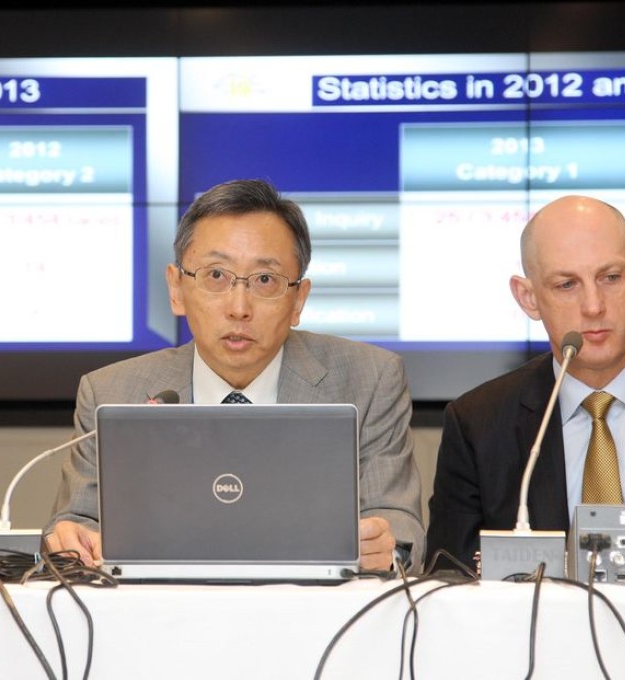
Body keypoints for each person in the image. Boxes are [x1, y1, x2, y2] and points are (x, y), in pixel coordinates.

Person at [46, 178, 425, 572]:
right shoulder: (111, 391)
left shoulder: (370, 379)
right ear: (176, 289)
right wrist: (72, 539)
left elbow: (400, 524)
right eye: (216, 276)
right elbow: (77, 521)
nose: (239, 307)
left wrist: (388, 549)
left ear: (298, 299)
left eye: (265, 280)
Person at [426, 195, 625, 571]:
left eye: (610, 278)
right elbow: (448, 578)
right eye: (567, 285)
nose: (594, 306)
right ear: (528, 298)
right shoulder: (478, 424)